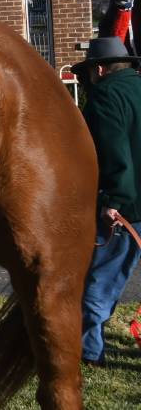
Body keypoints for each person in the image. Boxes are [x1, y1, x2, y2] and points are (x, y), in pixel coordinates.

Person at [75, 36, 141, 367]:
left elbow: (116, 153)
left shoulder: (104, 96)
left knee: (98, 283)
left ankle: (88, 354)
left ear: (99, 69)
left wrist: (113, 199)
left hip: (128, 208)